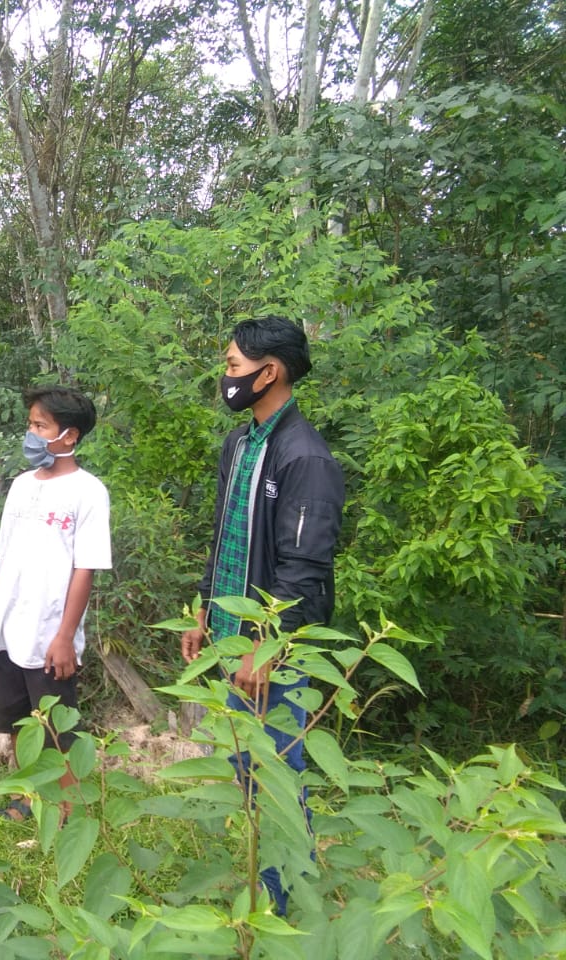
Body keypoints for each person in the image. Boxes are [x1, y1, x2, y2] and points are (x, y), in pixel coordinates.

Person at [180, 315, 345, 916]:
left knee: (277, 772)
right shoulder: (242, 443)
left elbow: (304, 569)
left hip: (272, 651)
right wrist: (204, 611)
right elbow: (225, 536)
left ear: (268, 371)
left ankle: (285, 900)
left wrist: (266, 646)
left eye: (232, 366)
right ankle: (264, 881)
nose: (225, 376)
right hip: (232, 640)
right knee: (247, 764)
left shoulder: (307, 458)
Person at [0, 386, 112, 821]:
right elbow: (3, 555)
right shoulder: (20, 486)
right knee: (19, 722)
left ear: (69, 436)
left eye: (41, 426)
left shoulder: (88, 492)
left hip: (48, 631)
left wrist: (65, 637)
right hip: (5, 627)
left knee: (56, 726)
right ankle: (29, 799)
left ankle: (66, 809)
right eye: (31, 424)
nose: (31, 434)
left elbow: (85, 569)